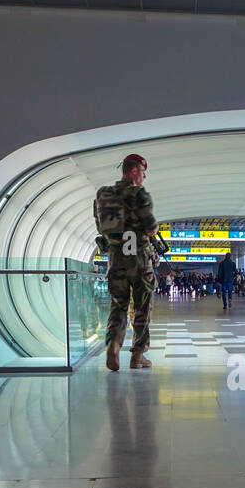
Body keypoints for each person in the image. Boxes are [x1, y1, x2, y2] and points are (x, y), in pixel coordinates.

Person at [94, 153, 158, 371]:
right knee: (142, 307)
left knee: (118, 305)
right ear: (133, 171)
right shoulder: (140, 194)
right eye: (142, 172)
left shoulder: (103, 194)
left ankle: (113, 344)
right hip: (139, 259)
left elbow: (100, 227)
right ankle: (137, 355)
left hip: (116, 259)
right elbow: (150, 226)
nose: (143, 177)